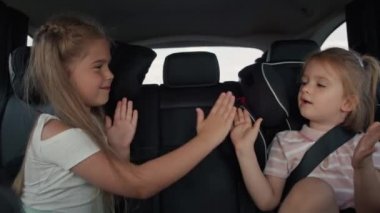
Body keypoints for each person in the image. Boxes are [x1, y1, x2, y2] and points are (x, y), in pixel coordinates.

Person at [15, 15, 236, 213]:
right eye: (98, 66)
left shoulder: (87, 124)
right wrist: (207, 138)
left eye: (108, 65)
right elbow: (137, 185)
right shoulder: (57, 133)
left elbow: (109, 187)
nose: (110, 74)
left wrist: (118, 149)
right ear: (64, 74)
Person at [230, 47, 380, 213]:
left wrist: (363, 166)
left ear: (348, 103)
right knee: (313, 190)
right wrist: (244, 150)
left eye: (320, 85)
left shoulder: (367, 147)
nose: (306, 89)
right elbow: (268, 201)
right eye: (304, 82)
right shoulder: (285, 141)